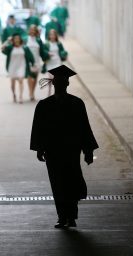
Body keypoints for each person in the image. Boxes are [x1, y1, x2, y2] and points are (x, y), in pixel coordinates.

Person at [30, 65, 98, 229]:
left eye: (62, 82)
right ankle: (63, 216)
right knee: (58, 183)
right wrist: (40, 148)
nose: (60, 84)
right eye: (58, 82)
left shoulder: (75, 103)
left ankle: (70, 216)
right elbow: (39, 128)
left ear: (66, 84)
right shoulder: (45, 105)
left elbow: (84, 127)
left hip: (70, 150)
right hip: (54, 150)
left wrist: (87, 150)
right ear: (54, 84)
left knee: (70, 181)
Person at [2, 33, 35, 104]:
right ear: (13, 40)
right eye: (15, 38)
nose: (17, 40)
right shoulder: (10, 48)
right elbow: (2, 48)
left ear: (20, 39)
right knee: (12, 84)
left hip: (22, 66)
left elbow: (30, 57)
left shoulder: (25, 48)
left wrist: (33, 64)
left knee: (21, 80)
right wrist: (7, 41)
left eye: (18, 38)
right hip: (12, 67)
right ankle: (14, 94)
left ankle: (20, 96)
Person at [43, 29, 68, 96]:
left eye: (53, 35)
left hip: (57, 62)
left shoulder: (59, 43)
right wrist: (47, 54)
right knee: (51, 78)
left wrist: (64, 54)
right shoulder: (47, 44)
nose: (52, 36)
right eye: (51, 35)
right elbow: (43, 52)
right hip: (50, 63)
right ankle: (49, 92)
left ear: (55, 35)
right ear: (49, 36)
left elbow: (63, 51)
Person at [25, 24, 47, 101]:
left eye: (34, 29)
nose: (32, 31)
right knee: (29, 77)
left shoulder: (38, 40)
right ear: (29, 30)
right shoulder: (26, 39)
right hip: (28, 61)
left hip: (37, 61)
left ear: (36, 31)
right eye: (31, 29)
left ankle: (32, 92)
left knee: (35, 78)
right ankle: (31, 93)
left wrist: (46, 57)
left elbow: (42, 51)